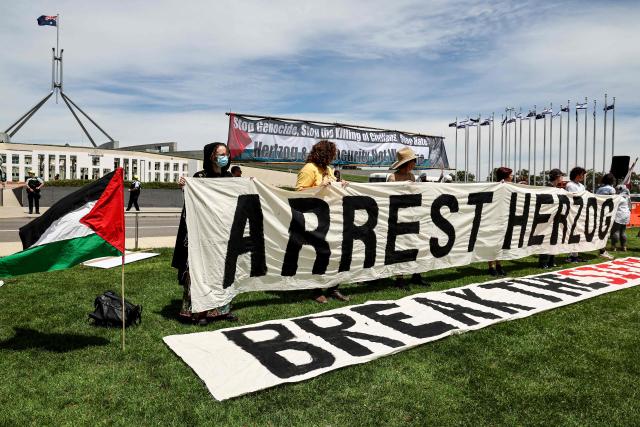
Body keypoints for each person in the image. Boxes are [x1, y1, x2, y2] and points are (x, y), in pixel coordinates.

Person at [172, 142, 238, 324]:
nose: (225, 157)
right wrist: (185, 186)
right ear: (211, 157)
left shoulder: (229, 178)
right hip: (201, 234)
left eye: (226, 154)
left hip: (221, 233)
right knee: (199, 271)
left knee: (222, 272)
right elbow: (192, 203)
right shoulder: (199, 177)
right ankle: (199, 312)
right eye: (220, 154)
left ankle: (222, 310)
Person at [295, 140, 349, 303]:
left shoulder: (328, 170)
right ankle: (316, 289)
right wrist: (320, 186)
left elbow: (333, 189)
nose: (333, 158)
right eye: (331, 154)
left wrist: (342, 185)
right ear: (324, 154)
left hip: (331, 218)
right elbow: (298, 193)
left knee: (335, 253)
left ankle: (333, 287)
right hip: (314, 219)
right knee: (319, 254)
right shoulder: (309, 169)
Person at [387, 147, 430, 288]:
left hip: (411, 215)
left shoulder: (412, 177)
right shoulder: (392, 178)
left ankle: (416, 274)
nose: (414, 163)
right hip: (398, 217)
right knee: (400, 247)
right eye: (413, 161)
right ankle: (400, 278)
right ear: (407, 162)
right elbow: (388, 197)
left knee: (415, 244)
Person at [539, 168, 565, 268]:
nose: (562, 178)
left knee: (554, 239)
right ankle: (543, 262)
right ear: (557, 177)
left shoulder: (558, 189)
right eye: (561, 176)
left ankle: (551, 260)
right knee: (546, 239)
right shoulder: (547, 188)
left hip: (555, 218)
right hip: (547, 218)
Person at [488, 167, 512, 276]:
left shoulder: (510, 186)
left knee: (500, 242)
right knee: (492, 242)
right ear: (505, 175)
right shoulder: (497, 186)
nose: (512, 177)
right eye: (510, 175)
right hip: (494, 217)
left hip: (504, 217)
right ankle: (491, 266)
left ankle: (498, 264)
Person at [565, 167, 586, 262]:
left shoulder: (581, 186)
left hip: (580, 212)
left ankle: (575, 254)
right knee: (571, 233)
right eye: (582, 174)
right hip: (572, 212)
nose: (583, 176)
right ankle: (570, 255)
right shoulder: (570, 185)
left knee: (578, 233)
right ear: (577, 174)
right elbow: (571, 198)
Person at [595, 173, 617, 259]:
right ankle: (602, 251)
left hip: (599, 212)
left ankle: (602, 250)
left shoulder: (599, 189)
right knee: (605, 233)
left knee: (600, 232)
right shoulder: (611, 189)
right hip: (607, 213)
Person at [611, 184, 631, 252]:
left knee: (615, 231)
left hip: (618, 215)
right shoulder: (627, 196)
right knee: (623, 232)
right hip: (626, 215)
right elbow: (630, 206)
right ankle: (624, 247)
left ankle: (614, 247)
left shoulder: (617, 197)